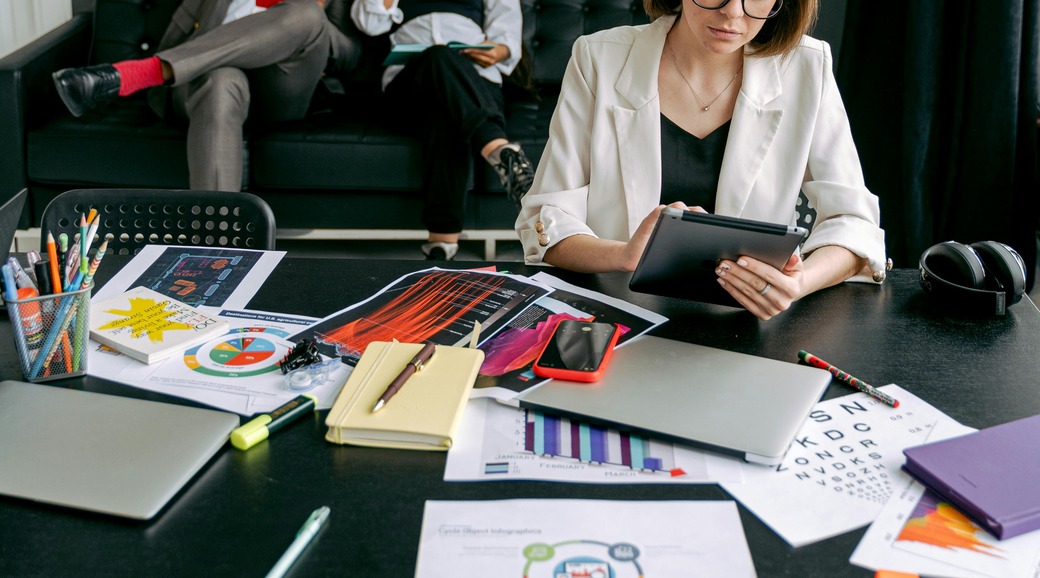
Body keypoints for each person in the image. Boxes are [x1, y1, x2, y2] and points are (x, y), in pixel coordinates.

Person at [515, 0, 887, 320]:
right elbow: (546, 220)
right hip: (616, 317)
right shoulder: (600, 57)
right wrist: (624, 254)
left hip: (744, 325)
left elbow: (855, 223)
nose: (732, 13)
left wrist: (797, 283)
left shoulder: (806, 65)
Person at [51, 0, 361, 193]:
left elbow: (351, 55)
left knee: (305, 14)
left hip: (282, 87)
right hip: (210, 79)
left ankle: (133, 74)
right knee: (220, 81)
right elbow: (179, 35)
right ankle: (218, 249)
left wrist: (318, 25)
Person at [351, 0, 535, 261]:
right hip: (408, 86)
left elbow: (506, 39)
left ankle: (442, 243)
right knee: (437, 56)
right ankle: (497, 149)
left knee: (446, 109)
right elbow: (368, 23)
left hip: (473, 81)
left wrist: (499, 51)